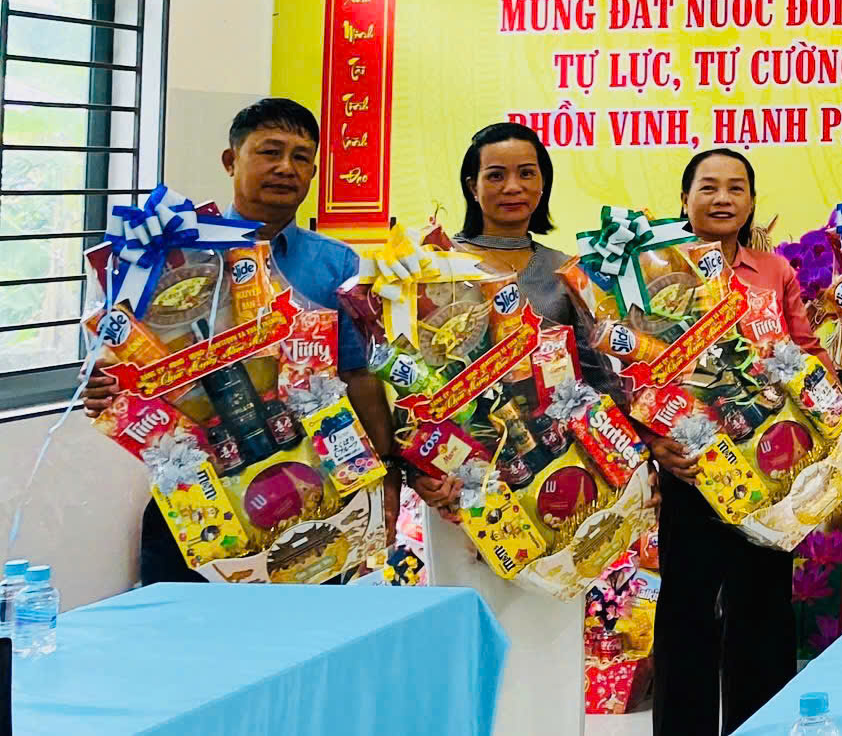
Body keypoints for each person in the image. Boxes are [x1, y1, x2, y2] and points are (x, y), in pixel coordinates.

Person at [83, 98, 395, 586]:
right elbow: (115, 371)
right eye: (270, 152)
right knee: (189, 624)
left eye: (301, 157)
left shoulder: (336, 264)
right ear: (231, 160)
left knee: (309, 624)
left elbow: (360, 375)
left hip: (317, 486)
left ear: (313, 173)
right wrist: (104, 388)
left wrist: (384, 476)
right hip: (203, 494)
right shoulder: (170, 259)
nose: (285, 168)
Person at [403, 121, 594, 736]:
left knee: (550, 624)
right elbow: (404, 378)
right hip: (459, 481)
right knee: (472, 631)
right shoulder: (434, 267)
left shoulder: (566, 271)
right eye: (496, 174)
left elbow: (595, 372)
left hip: (554, 474)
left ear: (543, 184)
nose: (513, 187)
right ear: (472, 184)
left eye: (527, 173)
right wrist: (421, 470)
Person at [644, 148, 832, 736]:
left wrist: (833, 422)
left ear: (751, 202)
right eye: (708, 187)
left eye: (736, 188)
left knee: (763, 607)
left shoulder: (774, 272)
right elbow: (633, 371)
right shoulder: (655, 274)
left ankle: (761, 726)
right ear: (684, 199)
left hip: (770, 466)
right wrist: (653, 442)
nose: (722, 198)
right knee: (687, 611)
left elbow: (806, 350)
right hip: (692, 465)